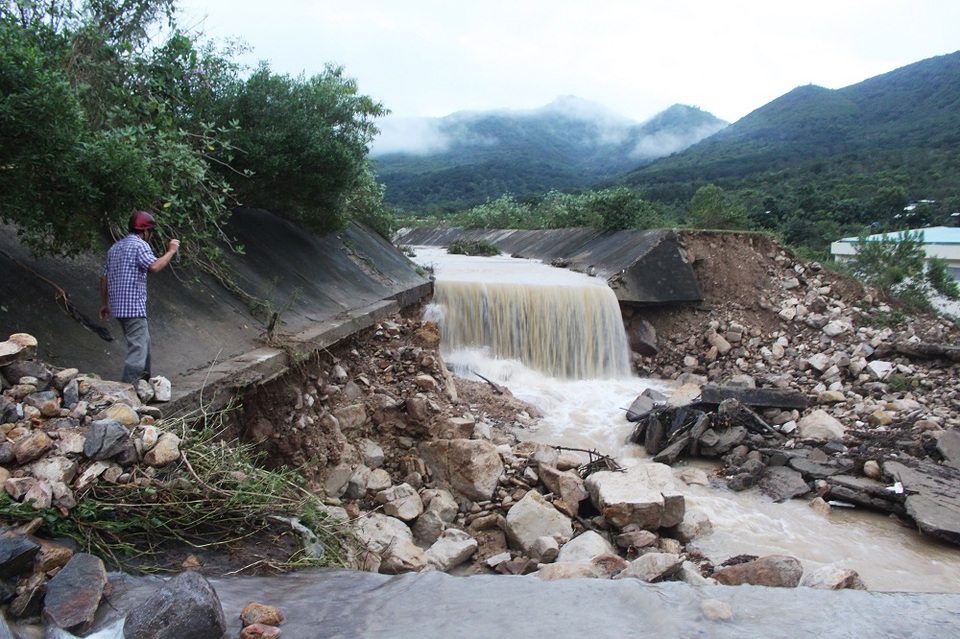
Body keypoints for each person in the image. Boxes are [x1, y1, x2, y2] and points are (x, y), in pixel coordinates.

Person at [99, 210, 180, 384]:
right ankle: (128, 390)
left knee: (145, 344)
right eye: (150, 232)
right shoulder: (139, 245)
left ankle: (144, 384)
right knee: (138, 349)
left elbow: (104, 277)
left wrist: (105, 304)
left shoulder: (115, 248)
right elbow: (155, 267)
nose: (150, 235)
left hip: (118, 308)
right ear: (145, 231)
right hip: (132, 307)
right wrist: (171, 251)